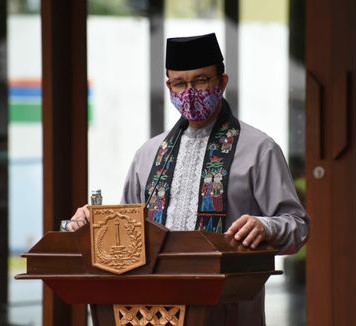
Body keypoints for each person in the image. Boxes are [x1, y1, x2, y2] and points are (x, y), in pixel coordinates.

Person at [69, 32, 310, 325]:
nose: (190, 92)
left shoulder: (259, 149)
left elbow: (297, 226)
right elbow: (126, 232)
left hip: (227, 310)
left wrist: (265, 225)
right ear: (169, 86)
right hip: (150, 311)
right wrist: (93, 223)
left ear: (222, 82)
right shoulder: (148, 154)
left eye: (201, 80)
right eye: (180, 83)